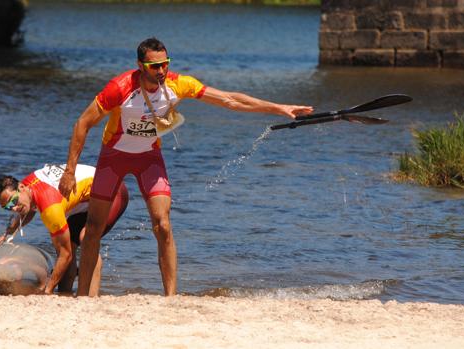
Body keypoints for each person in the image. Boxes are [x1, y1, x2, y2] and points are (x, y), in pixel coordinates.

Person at [58, 37, 313, 297]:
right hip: (114, 157)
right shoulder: (120, 88)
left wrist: (278, 107)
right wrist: (70, 172)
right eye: (154, 66)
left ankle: (170, 297)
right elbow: (82, 124)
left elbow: (230, 100)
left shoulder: (178, 84)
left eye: (165, 64)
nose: (161, 71)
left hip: (149, 158)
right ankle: (84, 298)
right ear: (140, 65)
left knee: (164, 225)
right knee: (94, 228)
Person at [0, 163, 128, 295]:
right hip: (86, 202)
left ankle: (91, 298)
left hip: (113, 192)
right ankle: (65, 293)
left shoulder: (50, 208)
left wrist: (48, 290)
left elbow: (65, 255)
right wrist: (7, 234)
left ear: (21, 187)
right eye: (8, 207)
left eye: (13, 201)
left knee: (85, 240)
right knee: (70, 247)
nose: (14, 208)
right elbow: (30, 208)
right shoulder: (27, 186)